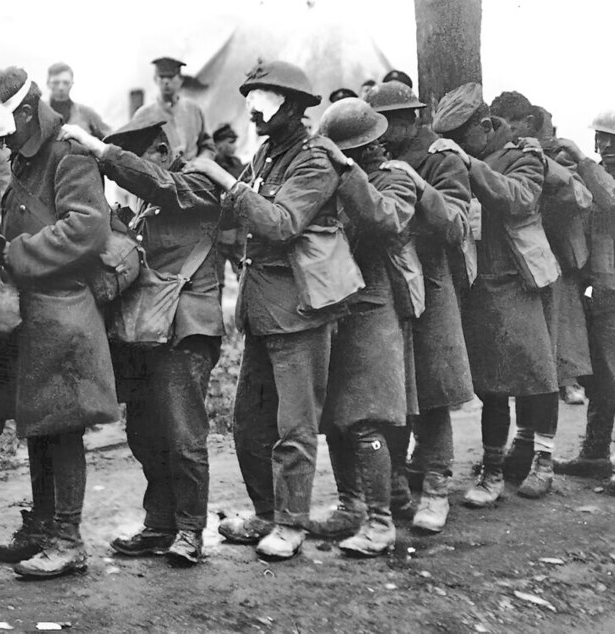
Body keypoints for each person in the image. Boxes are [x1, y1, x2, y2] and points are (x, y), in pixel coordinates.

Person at [184, 60, 342, 560]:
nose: (252, 111)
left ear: (292, 107)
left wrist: (221, 177)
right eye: (250, 100)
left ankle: (291, 524)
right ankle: (267, 513)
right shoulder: (268, 153)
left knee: (294, 427)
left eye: (264, 101)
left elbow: (281, 223)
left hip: (298, 313)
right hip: (261, 312)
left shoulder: (315, 160)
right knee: (249, 422)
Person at [61, 112, 226, 566]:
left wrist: (101, 151)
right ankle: (160, 524)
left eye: (137, 156)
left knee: (183, 434)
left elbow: (159, 184)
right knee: (144, 433)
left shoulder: (195, 182)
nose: (129, 168)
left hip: (186, 329)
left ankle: (190, 529)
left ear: (162, 151)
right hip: (144, 331)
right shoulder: (143, 205)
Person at [0, 67, 118, 579]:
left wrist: (15, 254)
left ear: (24, 111)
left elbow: (87, 226)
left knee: (62, 428)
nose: (1, 140)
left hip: (64, 310)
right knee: (39, 425)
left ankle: (67, 539)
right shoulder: (24, 156)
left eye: (4, 127)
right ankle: (41, 527)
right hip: (34, 312)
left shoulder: (67, 153)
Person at [428, 83, 559, 507]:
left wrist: (469, 164)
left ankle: (544, 461)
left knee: (539, 376)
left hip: (522, 281)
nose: (457, 145)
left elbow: (519, 199)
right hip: (480, 283)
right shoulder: (463, 157)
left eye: (462, 137)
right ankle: (493, 470)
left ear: (485, 126)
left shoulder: (524, 155)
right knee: (492, 385)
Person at [364, 80, 474, 534]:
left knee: (434, 392)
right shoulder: (372, 156)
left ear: (410, 120)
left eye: (385, 123)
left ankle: (436, 487)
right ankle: (394, 487)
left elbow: (457, 225)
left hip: (432, 281)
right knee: (392, 390)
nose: (378, 133)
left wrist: (418, 184)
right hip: (387, 284)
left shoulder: (441, 157)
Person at [311, 98, 418, 556]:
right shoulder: (338, 179)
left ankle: (380, 521)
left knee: (364, 416)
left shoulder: (395, 178)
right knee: (335, 416)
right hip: (337, 305)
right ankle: (350, 506)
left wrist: (347, 172)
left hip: (376, 306)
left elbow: (385, 219)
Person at [488, 91, 592, 487]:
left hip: (552, 275)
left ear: (529, 124)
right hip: (517, 275)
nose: (506, 134)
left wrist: (545, 162)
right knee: (523, 367)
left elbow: (579, 198)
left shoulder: (554, 159)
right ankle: (524, 443)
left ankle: (543, 461)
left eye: (511, 126)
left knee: (545, 368)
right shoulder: (502, 157)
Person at [554, 111, 615, 480]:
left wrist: (580, 159)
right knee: (601, 376)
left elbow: (613, 201)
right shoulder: (595, 173)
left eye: (614, 138)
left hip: (614, 291)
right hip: (599, 289)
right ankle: (595, 453)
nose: (605, 144)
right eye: (601, 137)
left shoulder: (600, 178)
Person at [133, 57, 214, 161]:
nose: (166, 81)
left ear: (181, 80)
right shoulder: (143, 115)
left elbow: (208, 146)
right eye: (162, 77)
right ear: (155, 79)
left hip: (193, 168)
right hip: (160, 169)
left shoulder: (194, 110)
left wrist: (200, 162)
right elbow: (136, 153)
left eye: (171, 77)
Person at [46, 62, 111, 139]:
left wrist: (98, 135)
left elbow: (111, 137)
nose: (61, 87)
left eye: (66, 83)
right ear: (48, 83)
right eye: (56, 83)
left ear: (72, 84)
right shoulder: (38, 112)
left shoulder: (87, 113)